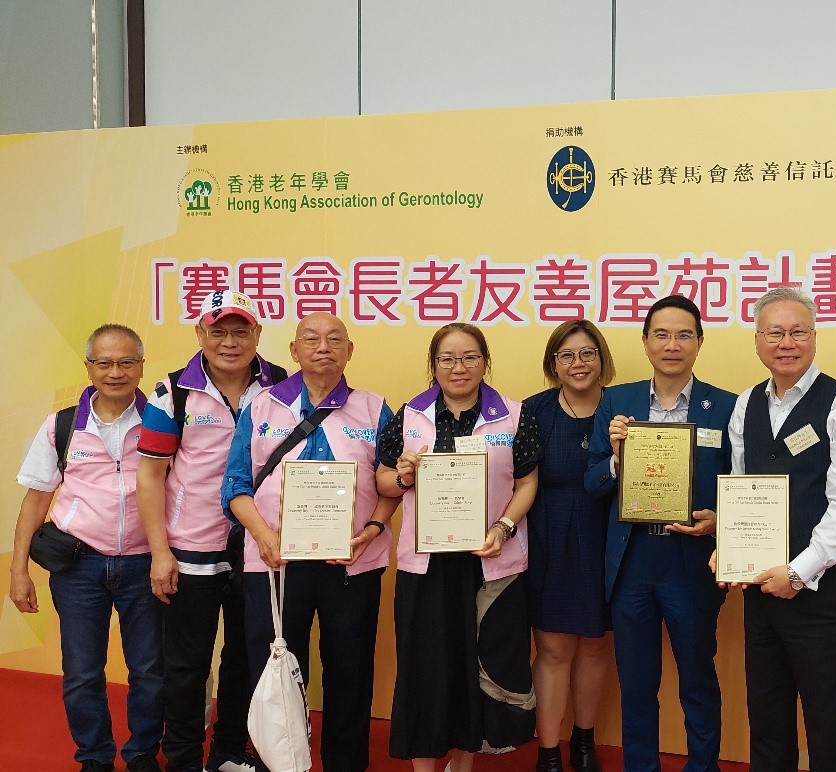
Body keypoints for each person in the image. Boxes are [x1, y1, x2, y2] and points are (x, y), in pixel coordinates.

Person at [221, 312, 397, 772]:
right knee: (274, 673)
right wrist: (264, 537)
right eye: (312, 339)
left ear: (349, 351)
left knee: (350, 672)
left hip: (352, 564)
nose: (323, 347)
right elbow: (235, 486)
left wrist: (372, 530)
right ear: (294, 350)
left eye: (334, 339)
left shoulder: (375, 409)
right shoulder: (262, 407)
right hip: (274, 565)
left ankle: (345, 764)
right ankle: (278, 765)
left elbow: (392, 486)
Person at [376, 322, 541, 772]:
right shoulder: (410, 415)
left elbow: (527, 482)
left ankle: (464, 765)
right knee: (425, 669)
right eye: (447, 359)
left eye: (470, 357)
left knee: (475, 669)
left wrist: (503, 527)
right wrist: (402, 475)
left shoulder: (514, 414)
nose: (459, 367)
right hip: (425, 566)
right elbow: (383, 480)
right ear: (433, 366)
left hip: (488, 561)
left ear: (486, 362)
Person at [727, 286, 836, 771]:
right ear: (757, 341)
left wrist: (799, 571)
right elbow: (741, 488)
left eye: (798, 332)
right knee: (766, 719)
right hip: (760, 590)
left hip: (819, 594)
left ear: (814, 337)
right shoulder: (746, 404)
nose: (786, 343)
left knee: (828, 726)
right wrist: (729, 543)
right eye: (775, 332)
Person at [136, 290, 287, 772]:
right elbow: (150, 475)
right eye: (218, 331)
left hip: (260, 548)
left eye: (241, 331)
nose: (229, 342)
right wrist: (160, 552)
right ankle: (182, 758)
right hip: (191, 549)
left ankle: (228, 751)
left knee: (245, 658)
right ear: (200, 334)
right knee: (185, 666)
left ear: (257, 334)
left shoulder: (282, 386)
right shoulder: (173, 392)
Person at [584, 294, 735, 772]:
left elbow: (742, 484)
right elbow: (591, 483)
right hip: (632, 561)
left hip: (691, 560)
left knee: (697, 680)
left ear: (699, 342)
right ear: (646, 342)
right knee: (636, 684)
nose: (673, 345)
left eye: (684, 335)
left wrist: (721, 519)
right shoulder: (617, 402)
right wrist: (615, 458)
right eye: (662, 335)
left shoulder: (726, 407)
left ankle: (703, 766)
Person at [9, 324, 162, 772]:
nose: (115, 372)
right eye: (104, 363)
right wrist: (19, 572)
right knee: (81, 672)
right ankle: (94, 756)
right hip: (79, 567)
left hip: (144, 564)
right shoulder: (61, 425)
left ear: (141, 366)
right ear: (89, 368)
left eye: (126, 362)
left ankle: (142, 754)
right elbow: (35, 500)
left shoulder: (161, 421)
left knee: (150, 671)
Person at [523, 320, 616, 772]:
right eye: (567, 355)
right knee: (554, 650)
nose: (579, 363)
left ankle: (584, 741)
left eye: (588, 353)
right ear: (553, 364)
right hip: (549, 539)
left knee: (596, 645)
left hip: (609, 539)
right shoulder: (533, 411)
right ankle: (548, 751)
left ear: (601, 359)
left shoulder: (623, 408)